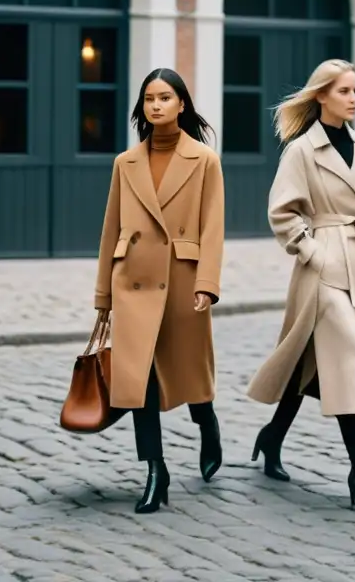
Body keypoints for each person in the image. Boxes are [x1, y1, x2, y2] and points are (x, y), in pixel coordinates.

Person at [246, 59, 355, 515]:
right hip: (322, 269)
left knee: (308, 362)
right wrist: (313, 251)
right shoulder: (301, 151)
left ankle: (272, 437)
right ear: (322, 96)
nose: (353, 98)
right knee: (349, 358)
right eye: (345, 91)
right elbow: (283, 212)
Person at [93, 67, 225, 513]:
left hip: (183, 283)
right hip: (132, 280)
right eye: (149, 98)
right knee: (139, 379)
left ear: (182, 104)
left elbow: (213, 227)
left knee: (190, 374)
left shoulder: (204, 160)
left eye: (165, 98)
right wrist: (103, 298)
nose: (156, 105)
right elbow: (110, 228)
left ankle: (207, 423)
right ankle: (155, 470)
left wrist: (207, 283)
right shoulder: (124, 163)